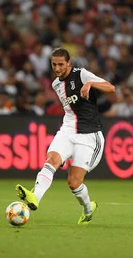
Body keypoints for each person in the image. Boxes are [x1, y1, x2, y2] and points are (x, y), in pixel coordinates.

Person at [15, 48, 115, 225]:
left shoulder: (82, 74)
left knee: (74, 182)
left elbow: (110, 87)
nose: (57, 68)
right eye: (54, 64)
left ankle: (88, 209)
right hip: (68, 129)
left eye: (61, 64)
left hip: (90, 135)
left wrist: (90, 84)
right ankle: (34, 197)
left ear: (69, 63)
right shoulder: (56, 85)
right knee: (51, 159)